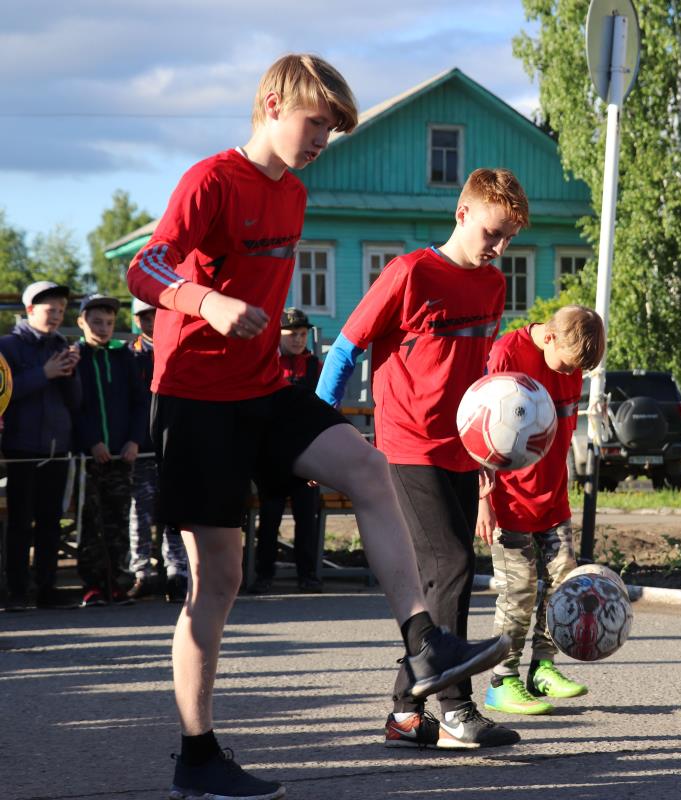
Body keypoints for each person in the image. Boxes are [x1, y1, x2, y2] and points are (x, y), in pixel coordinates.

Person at [126, 54, 509, 800]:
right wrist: (207, 304)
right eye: (315, 125)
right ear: (272, 103)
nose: (320, 142)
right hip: (197, 397)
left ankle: (425, 646)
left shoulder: (296, 195)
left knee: (368, 471)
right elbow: (146, 267)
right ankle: (198, 756)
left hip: (265, 388)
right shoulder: (210, 181)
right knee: (219, 580)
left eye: (331, 133)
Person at [317, 167, 529, 749]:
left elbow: (484, 376)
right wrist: (311, 427)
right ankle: (455, 709)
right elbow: (346, 347)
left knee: (446, 575)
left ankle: (406, 714)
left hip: (463, 447)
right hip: (408, 444)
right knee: (451, 563)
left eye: (509, 238)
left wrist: (493, 452)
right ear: (461, 215)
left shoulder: (492, 284)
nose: (500, 248)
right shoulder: (409, 272)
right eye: (492, 234)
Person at [477, 305, 606, 716]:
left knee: (564, 583)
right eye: (569, 365)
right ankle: (503, 680)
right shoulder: (506, 355)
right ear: (549, 337)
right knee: (518, 591)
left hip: (553, 500)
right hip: (508, 499)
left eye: (580, 371)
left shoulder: (571, 364)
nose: (572, 375)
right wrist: (482, 499)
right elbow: (479, 427)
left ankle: (543, 668)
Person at [0, 281, 80, 611]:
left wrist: (72, 374)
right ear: (30, 310)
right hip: (21, 449)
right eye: (51, 310)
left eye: (62, 310)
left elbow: (76, 402)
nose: (58, 316)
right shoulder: (7, 346)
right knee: (20, 522)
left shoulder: (62, 344)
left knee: (51, 520)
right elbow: (5, 394)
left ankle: (47, 589)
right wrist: (44, 373)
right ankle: (17, 591)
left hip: (57, 448)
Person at [74, 294, 147, 607]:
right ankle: (92, 584)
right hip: (91, 456)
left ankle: (116, 581)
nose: (103, 328)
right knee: (90, 519)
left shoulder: (123, 357)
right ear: (81, 322)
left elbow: (139, 403)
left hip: (121, 455)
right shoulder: (76, 357)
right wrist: (92, 441)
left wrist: (134, 440)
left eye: (108, 322)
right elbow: (75, 406)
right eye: (96, 322)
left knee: (118, 519)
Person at [249, 307, 324, 594]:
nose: (298, 339)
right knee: (270, 515)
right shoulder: (267, 363)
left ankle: (308, 574)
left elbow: (324, 410)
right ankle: (264, 574)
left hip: (308, 454)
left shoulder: (315, 366)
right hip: (272, 456)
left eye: (303, 334)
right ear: (277, 335)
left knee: (307, 515)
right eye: (292, 334)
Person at [128, 296, 188, 603]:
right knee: (141, 511)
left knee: (174, 511)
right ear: (138, 321)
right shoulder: (131, 355)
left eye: (158, 316)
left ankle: (177, 571)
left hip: (175, 446)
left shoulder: (179, 352)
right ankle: (142, 572)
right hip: (142, 448)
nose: (154, 323)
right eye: (147, 318)